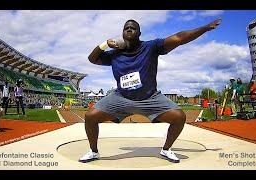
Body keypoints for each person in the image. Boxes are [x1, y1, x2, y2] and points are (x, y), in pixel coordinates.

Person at [80, 18, 222, 163]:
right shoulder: (114, 54)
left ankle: (166, 150)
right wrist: (105, 44)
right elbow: (92, 59)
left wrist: (205, 28)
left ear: (139, 33)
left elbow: (179, 38)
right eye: (126, 28)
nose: (129, 29)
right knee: (90, 117)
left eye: (133, 28)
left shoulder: (151, 47)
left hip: (150, 98)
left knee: (179, 117)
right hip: (121, 97)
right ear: (122, 33)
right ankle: (93, 152)